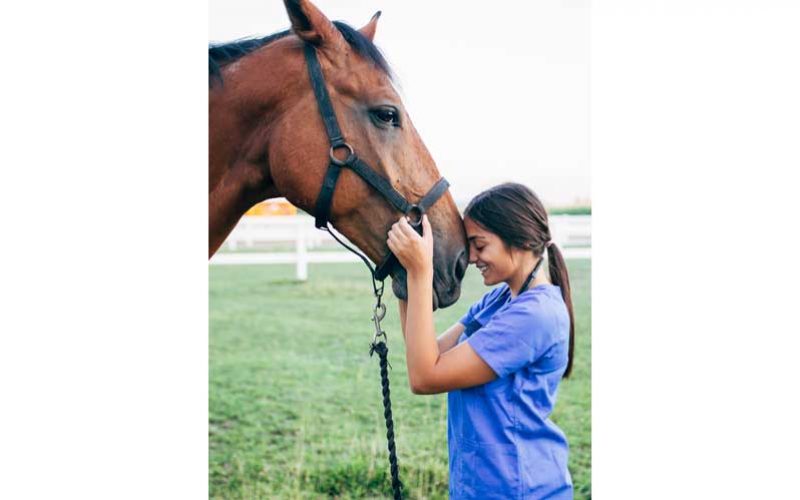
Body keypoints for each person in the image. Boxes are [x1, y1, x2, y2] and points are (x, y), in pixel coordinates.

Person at [387, 182, 575, 499]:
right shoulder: (500, 300)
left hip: (518, 488)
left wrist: (421, 272)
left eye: (479, 245)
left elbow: (424, 377)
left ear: (520, 240)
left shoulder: (535, 315)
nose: (472, 257)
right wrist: (406, 273)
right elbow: (424, 351)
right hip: (481, 485)